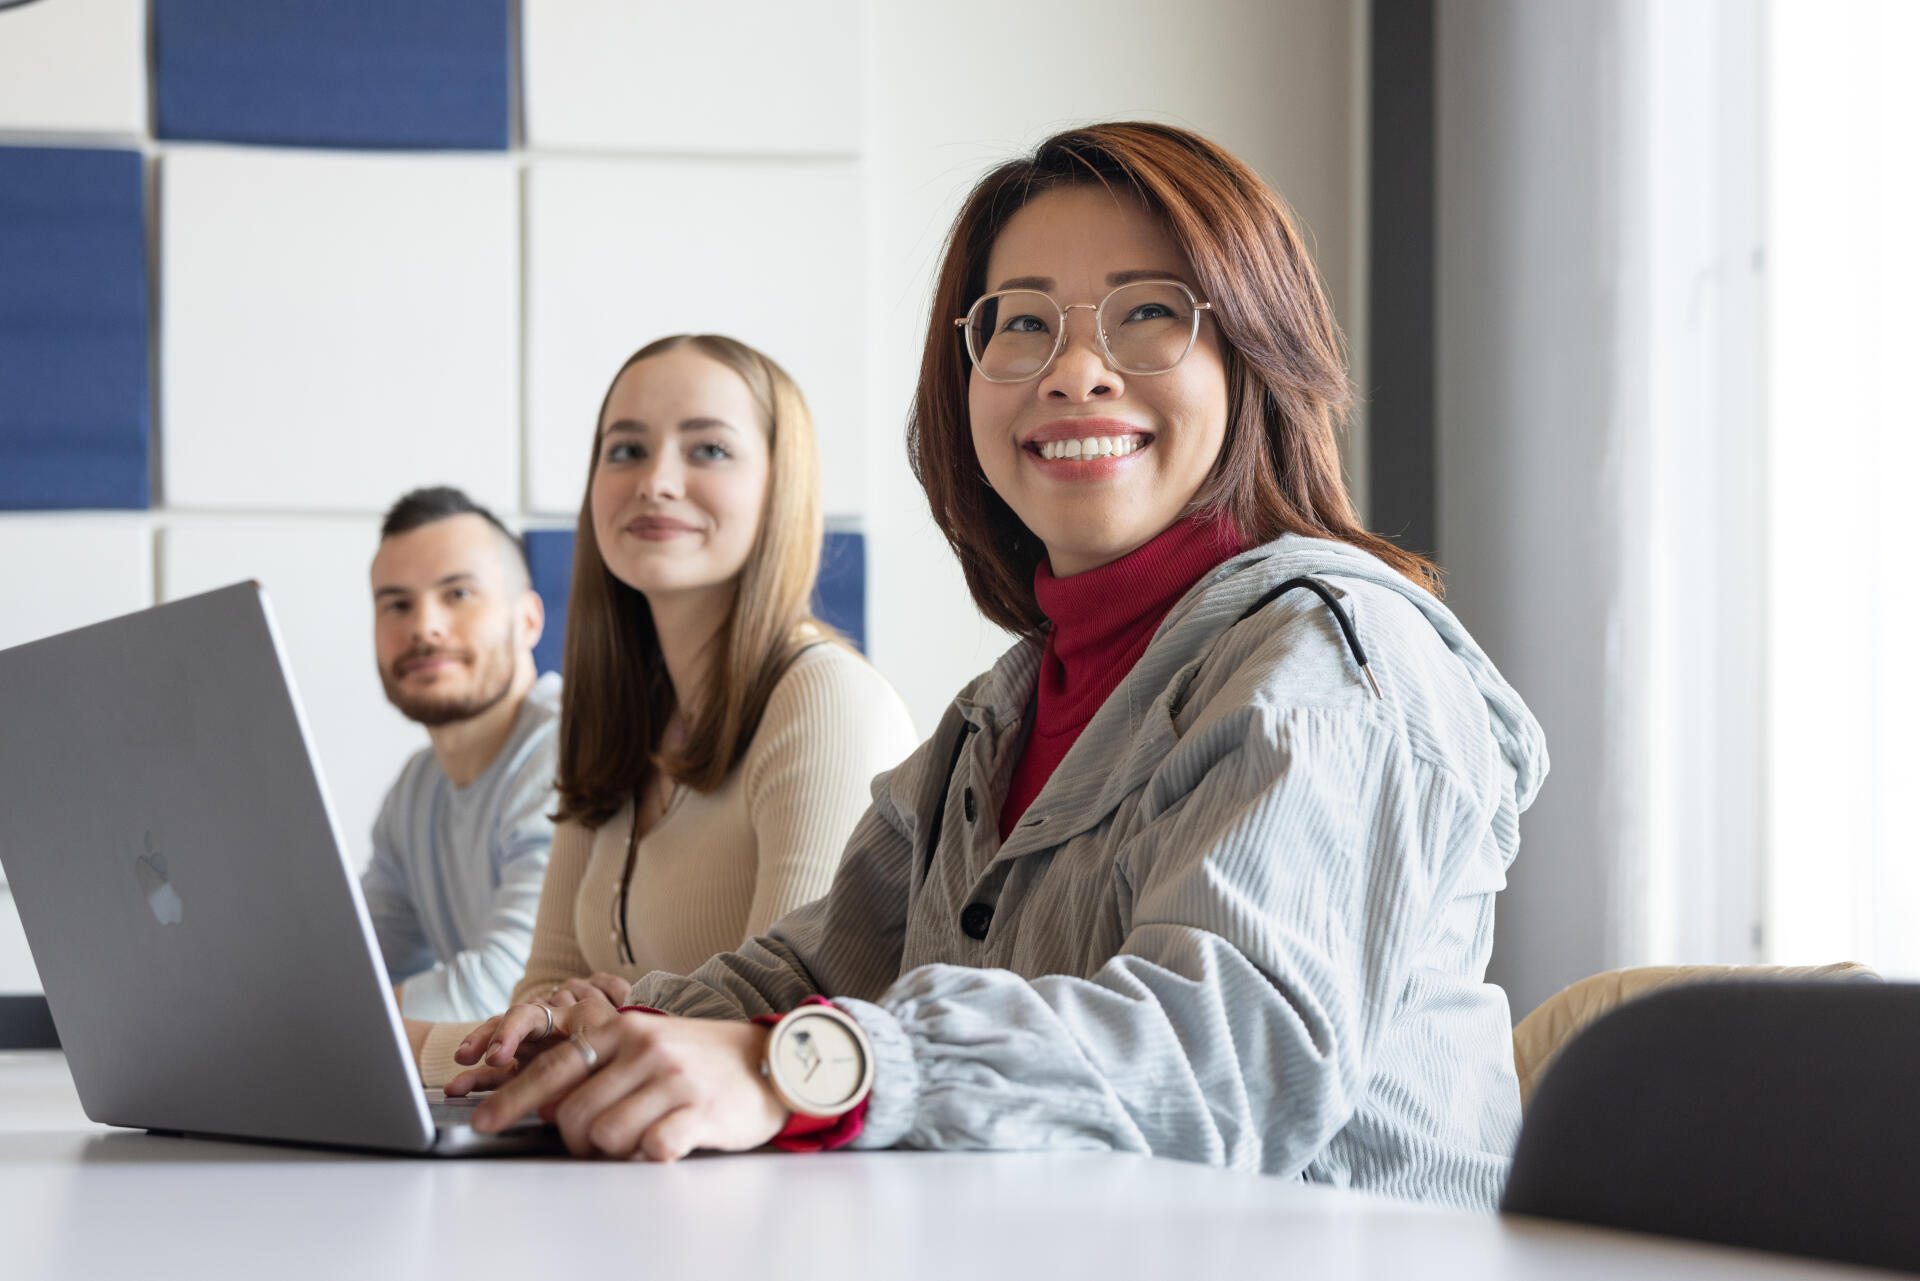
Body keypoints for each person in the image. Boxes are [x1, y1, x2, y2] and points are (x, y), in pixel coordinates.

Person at [455, 124, 1548, 1212]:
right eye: (1022, 322)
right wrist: (622, 1024)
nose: (1075, 371)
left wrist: (795, 1068)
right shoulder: (1005, 707)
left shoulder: (1329, 660)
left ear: (1255, 353)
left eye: (1151, 313)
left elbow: (1218, 1063)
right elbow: (819, 970)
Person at [404, 334, 918, 1086]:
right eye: (626, 451)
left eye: (708, 449)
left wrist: (408, 1043)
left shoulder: (824, 699)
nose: (656, 482)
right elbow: (537, 1012)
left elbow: (786, 1036)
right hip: (625, 1162)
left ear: (780, 488)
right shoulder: (613, 714)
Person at [362, 486, 560, 1022]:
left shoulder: (570, 752)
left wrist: (317, 1028)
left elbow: (507, 991)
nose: (423, 626)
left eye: (458, 594)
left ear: (528, 621)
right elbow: (363, 970)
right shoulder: (415, 789)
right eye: (396, 604)